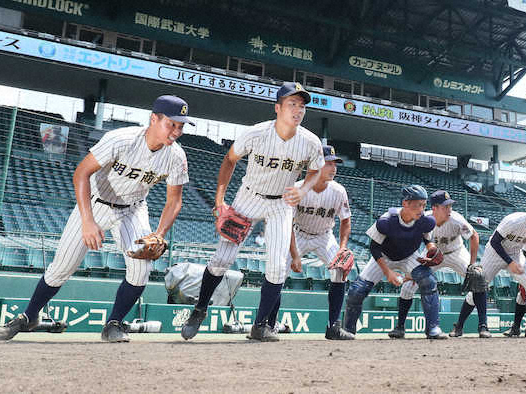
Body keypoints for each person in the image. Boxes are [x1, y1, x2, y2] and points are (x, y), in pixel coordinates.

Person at [0, 95, 192, 342]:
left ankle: (114, 324)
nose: (177, 131)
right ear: (153, 119)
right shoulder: (122, 139)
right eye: (171, 124)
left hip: (132, 209)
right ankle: (30, 315)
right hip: (94, 204)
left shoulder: (176, 156)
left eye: (181, 126)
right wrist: (88, 221)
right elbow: (81, 174)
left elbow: (174, 200)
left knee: (141, 268)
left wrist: (160, 233)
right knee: (61, 268)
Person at [180, 82, 324, 342]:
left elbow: (316, 171)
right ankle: (200, 309)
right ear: (277, 108)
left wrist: (303, 189)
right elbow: (230, 160)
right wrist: (221, 200)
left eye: (302, 106)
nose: (298, 110)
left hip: (281, 204)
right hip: (249, 199)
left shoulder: (310, 142)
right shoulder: (256, 133)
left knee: (278, 268)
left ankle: (260, 326)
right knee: (221, 261)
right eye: (292, 104)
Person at [335, 185, 447, 340]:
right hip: (384, 257)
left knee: (428, 280)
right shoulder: (386, 220)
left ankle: (433, 328)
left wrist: (431, 248)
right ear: (405, 203)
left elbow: (426, 238)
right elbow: (374, 248)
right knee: (357, 291)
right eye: (417, 205)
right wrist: (388, 272)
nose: (421, 209)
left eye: (423, 205)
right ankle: (348, 330)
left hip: (409, 256)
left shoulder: (426, 221)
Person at [271, 144, 351, 339]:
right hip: (298, 234)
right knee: (278, 272)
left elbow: (346, 221)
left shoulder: (339, 191)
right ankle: (270, 324)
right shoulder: (298, 189)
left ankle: (333, 327)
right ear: (315, 166)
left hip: (324, 236)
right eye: (328, 164)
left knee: (340, 271)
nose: (333, 168)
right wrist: (295, 255)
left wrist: (342, 248)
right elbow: (287, 223)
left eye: (334, 164)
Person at [457, 200, 526, 338]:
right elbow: (495, 242)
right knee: (478, 286)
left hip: (516, 254)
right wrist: (510, 262)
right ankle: (462, 326)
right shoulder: (513, 220)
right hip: (494, 252)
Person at [389, 190, 484, 338]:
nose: (449, 209)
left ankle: (481, 326)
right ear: (434, 208)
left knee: (478, 278)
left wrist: (471, 264)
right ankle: (400, 327)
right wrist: (410, 268)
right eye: (445, 207)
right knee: (407, 287)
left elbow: (474, 236)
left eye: (450, 206)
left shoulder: (456, 219)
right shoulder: (423, 219)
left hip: (456, 252)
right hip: (432, 255)